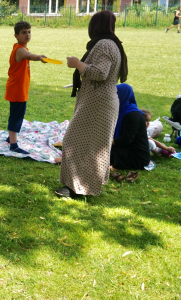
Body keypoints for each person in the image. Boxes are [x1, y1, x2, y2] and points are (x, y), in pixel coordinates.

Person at [57, 10, 129, 197]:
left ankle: (78, 188)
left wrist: (77, 64)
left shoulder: (105, 44)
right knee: (90, 144)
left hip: (98, 103)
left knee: (77, 142)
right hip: (99, 101)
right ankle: (80, 186)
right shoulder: (111, 43)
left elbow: (100, 73)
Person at [4, 21, 47, 155]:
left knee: (16, 114)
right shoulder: (20, 50)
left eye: (29, 32)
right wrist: (39, 57)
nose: (27, 35)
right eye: (24, 32)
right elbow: (30, 56)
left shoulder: (21, 48)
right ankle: (13, 144)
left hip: (19, 88)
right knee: (16, 116)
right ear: (16, 35)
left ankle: (10, 137)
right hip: (17, 90)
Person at [109, 84, 150, 171]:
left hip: (137, 155)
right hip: (123, 148)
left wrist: (106, 142)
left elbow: (126, 139)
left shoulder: (133, 115)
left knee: (102, 152)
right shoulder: (120, 111)